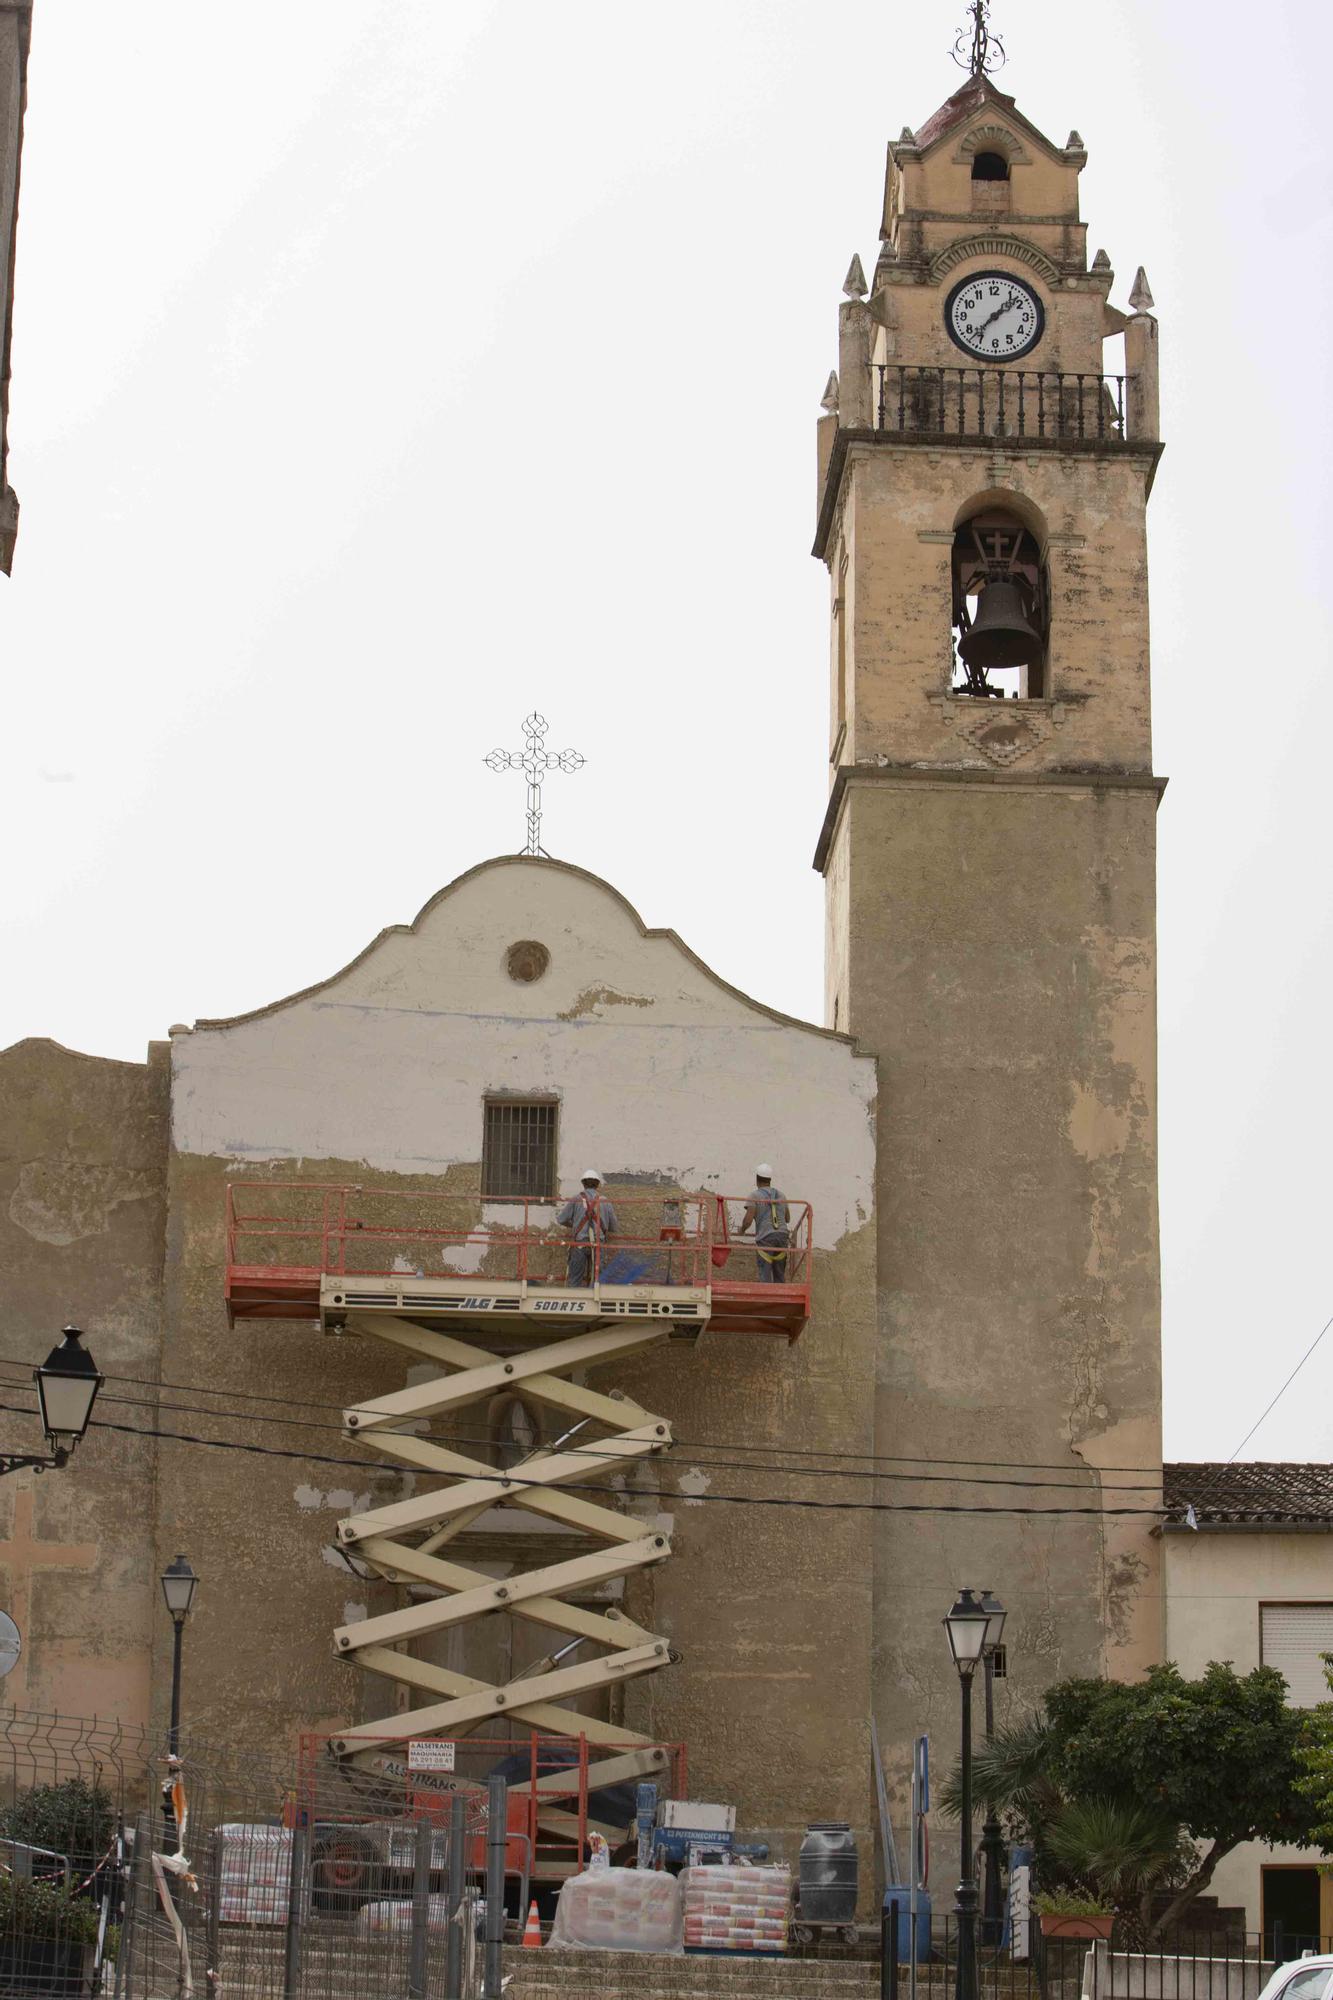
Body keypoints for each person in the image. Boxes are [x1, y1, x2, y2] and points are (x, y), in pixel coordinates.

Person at [556, 1170, 618, 1287]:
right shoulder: (604, 1201)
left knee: (575, 1278)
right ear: (598, 1184)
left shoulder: (576, 1199)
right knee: (597, 1279)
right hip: (598, 1244)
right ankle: (593, 1299)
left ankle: (575, 1300)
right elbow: (614, 1227)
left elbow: (561, 1219)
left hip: (580, 1244)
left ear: (583, 1184)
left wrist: (575, 1225)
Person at [736, 1165, 790, 1282]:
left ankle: (766, 1295)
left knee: (765, 1275)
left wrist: (742, 1230)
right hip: (782, 1236)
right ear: (770, 1180)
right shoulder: (781, 1195)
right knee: (779, 1274)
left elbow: (748, 1221)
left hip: (766, 1238)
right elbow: (787, 1218)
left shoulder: (754, 1196)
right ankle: (780, 1295)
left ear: (757, 1179)